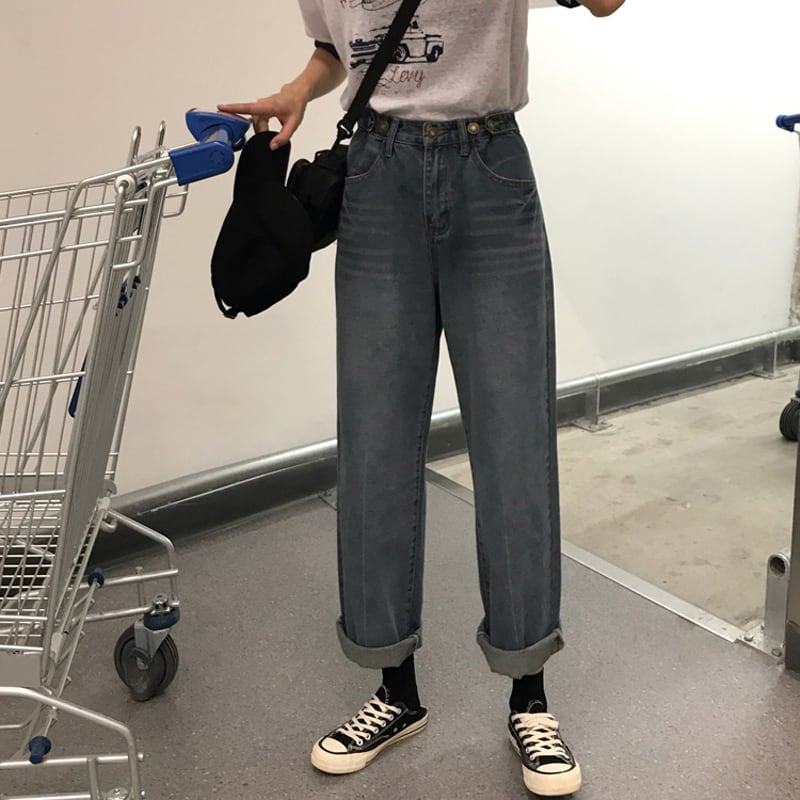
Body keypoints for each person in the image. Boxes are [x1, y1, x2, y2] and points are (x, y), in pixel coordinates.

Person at [220, 0, 625, 795]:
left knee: (513, 441)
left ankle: (529, 697)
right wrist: (300, 88)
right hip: (378, 175)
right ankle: (394, 691)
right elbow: (336, 45)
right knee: (374, 441)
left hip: (489, 165)